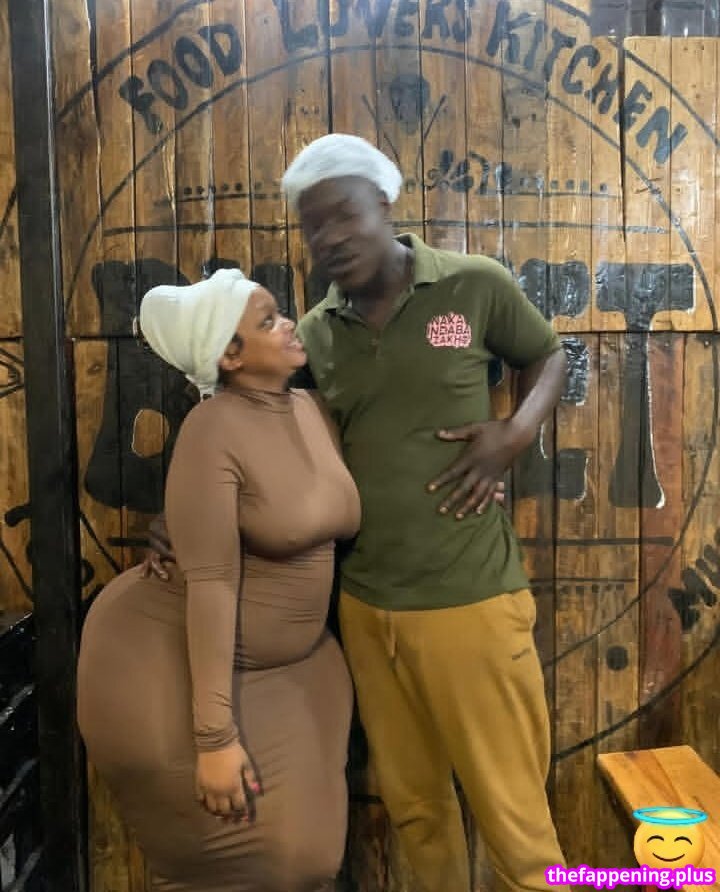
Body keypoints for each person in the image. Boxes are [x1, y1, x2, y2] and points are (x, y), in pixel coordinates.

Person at [281, 133, 570, 892]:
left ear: (384, 203)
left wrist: (514, 434)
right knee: (416, 815)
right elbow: (271, 437)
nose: (328, 238)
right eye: (312, 227)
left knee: (518, 830)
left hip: (470, 601)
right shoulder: (315, 334)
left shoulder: (472, 286)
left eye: (343, 214)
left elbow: (549, 354)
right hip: (365, 609)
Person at [76, 268, 361, 892]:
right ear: (230, 356)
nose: (289, 325)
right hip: (193, 670)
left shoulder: (311, 409)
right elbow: (212, 585)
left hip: (297, 669)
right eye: (269, 321)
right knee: (238, 867)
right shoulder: (212, 430)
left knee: (309, 861)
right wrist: (215, 739)